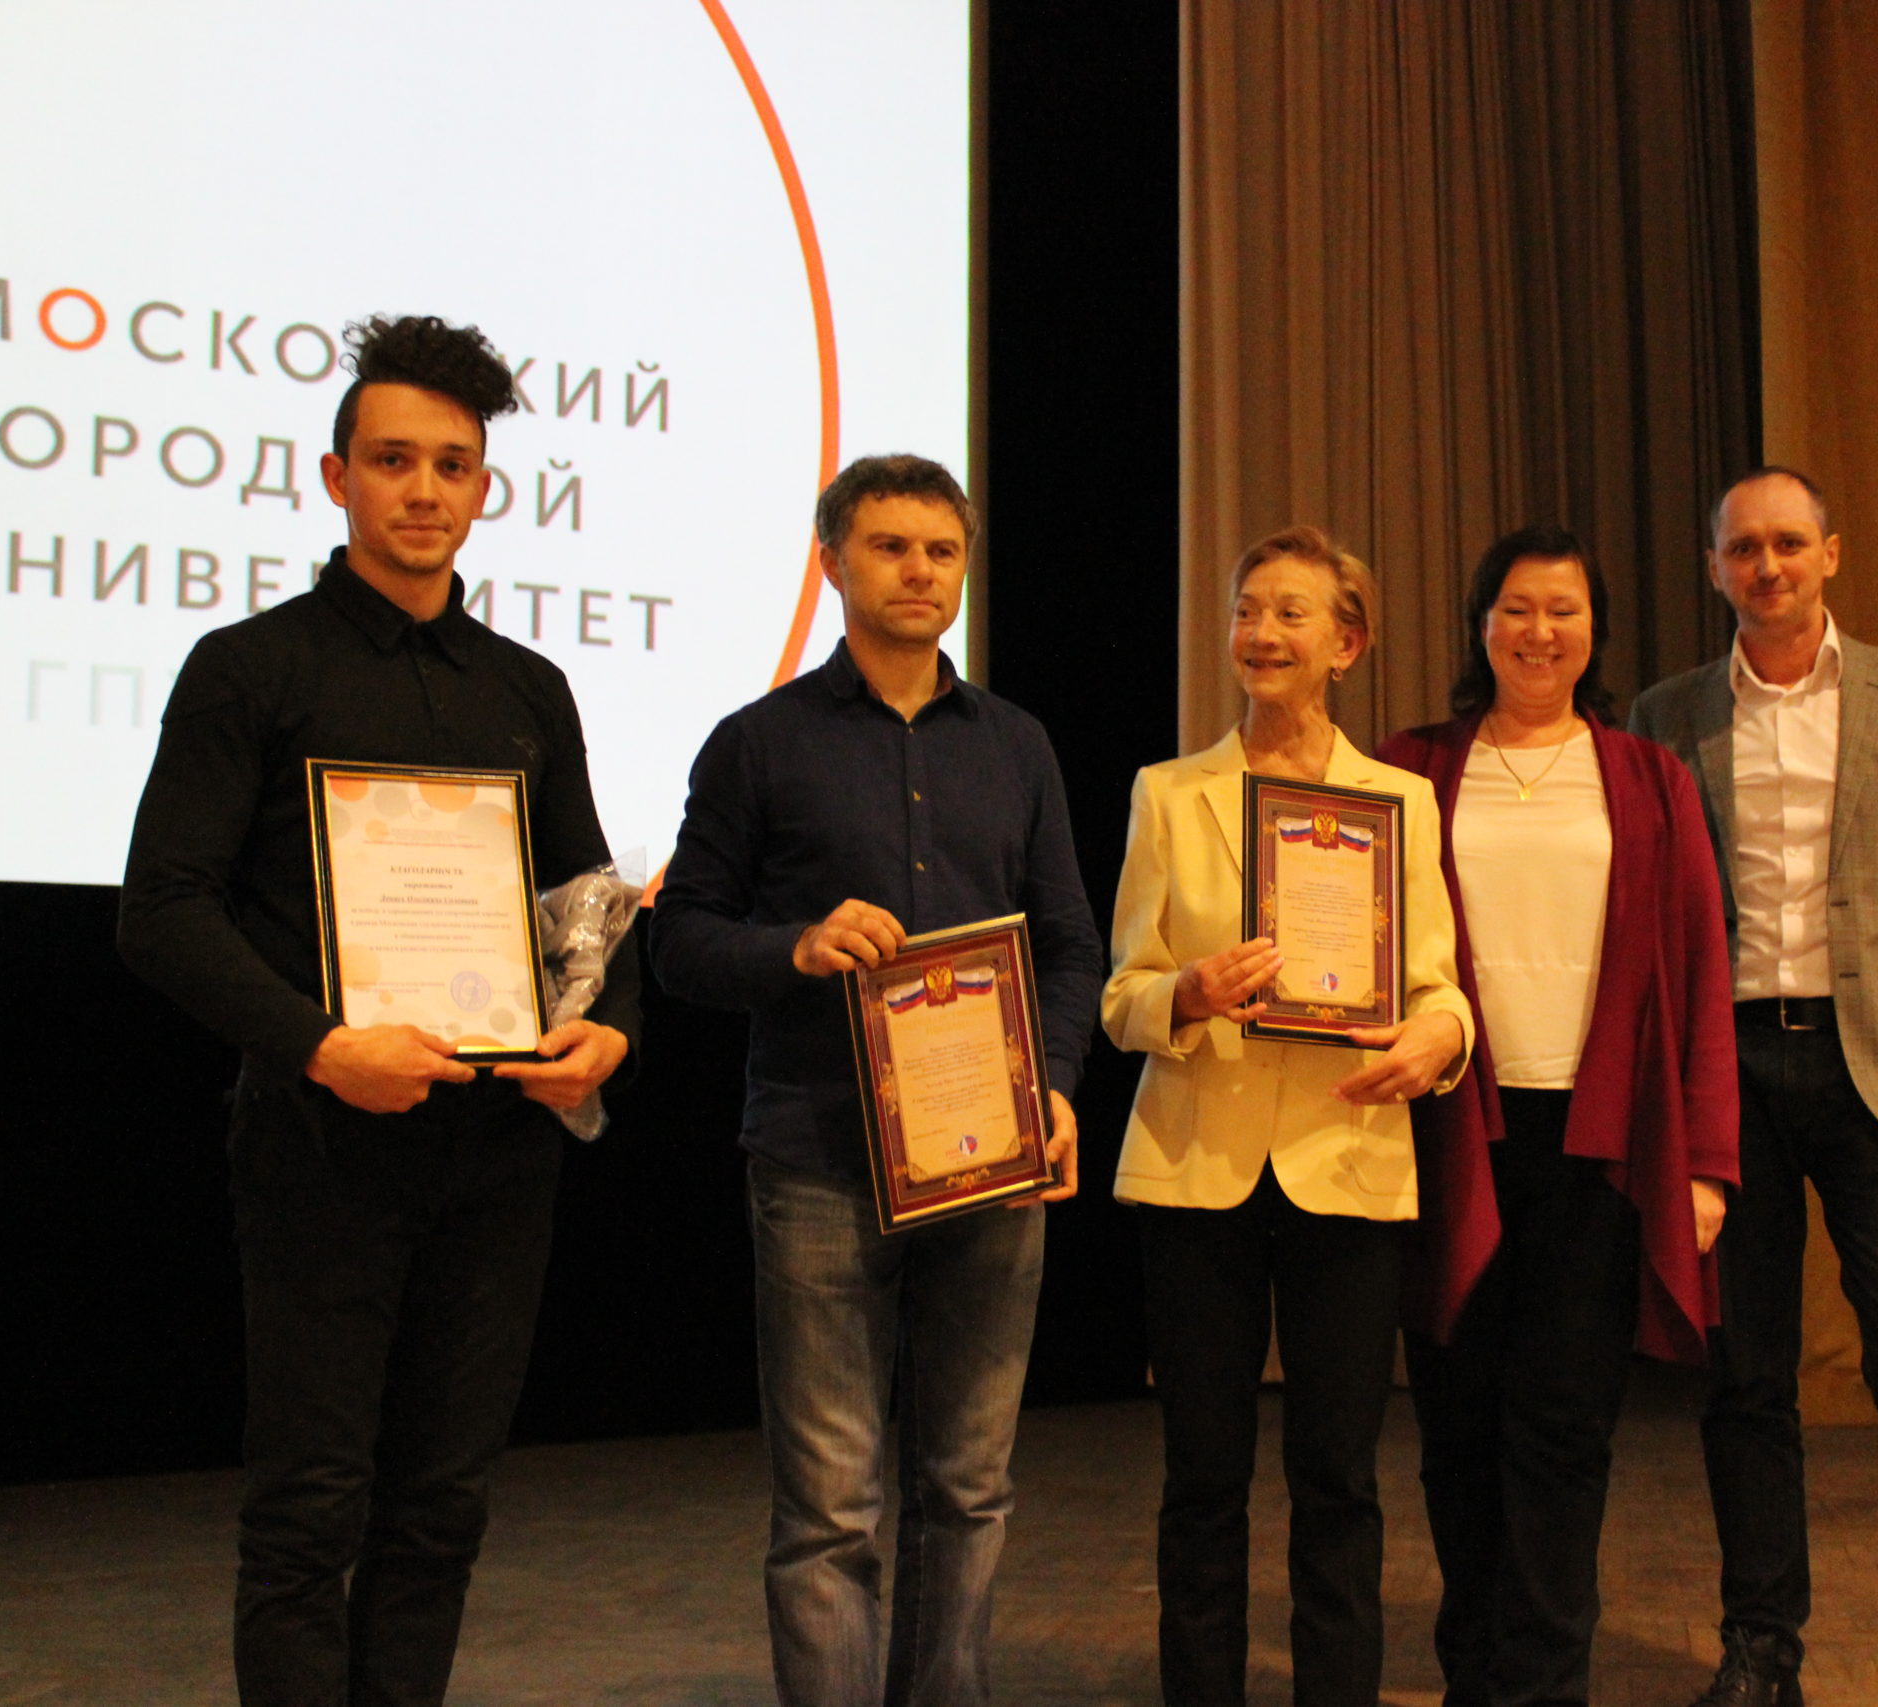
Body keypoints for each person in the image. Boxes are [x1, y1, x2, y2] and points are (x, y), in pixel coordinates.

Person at [119, 314, 637, 1705]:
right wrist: (321, 1044)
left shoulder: (528, 689)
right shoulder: (250, 668)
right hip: (321, 1142)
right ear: (336, 475)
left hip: (498, 1153)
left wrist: (610, 1030)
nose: (423, 490)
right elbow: (161, 907)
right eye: (394, 460)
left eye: (451, 465)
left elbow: (587, 901)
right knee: (311, 1505)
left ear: (485, 488)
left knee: (442, 1504)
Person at [650, 453, 1103, 1707]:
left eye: (940, 550)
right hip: (820, 1158)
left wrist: (1057, 1085)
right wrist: (794, 948)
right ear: (832, 561)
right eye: (890, 546)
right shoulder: (758, 743)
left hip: (994, 1160)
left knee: (969, 1489)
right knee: (829, 1509)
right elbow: (679, 939)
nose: (918, 571)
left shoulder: (1017, 745)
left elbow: (1068, 943)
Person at [1628, 468, 1878, 1707]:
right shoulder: (1665, 715)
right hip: (1727, 1073)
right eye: (1743, 548)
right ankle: (1761, 1651)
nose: (1768, 566)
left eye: (1789, 543)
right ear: (1714, 567)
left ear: (1830, 554)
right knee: (1744, 1377)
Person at [1105, 524, 1473, 1707]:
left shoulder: (1400, 801)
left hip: (1345, 1158)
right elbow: (1120, 994)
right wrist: (1185, 992)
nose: (1259, 633)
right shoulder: (1169, 793)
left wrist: (1442, 1040)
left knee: (1339, 1479)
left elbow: (1437, 990)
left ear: (1346, 644)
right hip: (1196, 1166)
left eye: (1288, 614)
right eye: (1245, 610)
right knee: (1201, 1478)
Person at [1377, 526, 1739, 1707]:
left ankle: (1539, 1687)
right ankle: (1473, 1673)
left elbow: (1700, 971)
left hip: (1600, 1148)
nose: (1540, 632)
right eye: (1517, 609)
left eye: (1563, 611)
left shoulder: (1648, 777)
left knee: (1563, 1431)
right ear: (1480, 625)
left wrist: (1706, 1162)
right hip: (1450, 1138)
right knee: (1456, 1428)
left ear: (1595, 631)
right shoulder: (1409, 768)